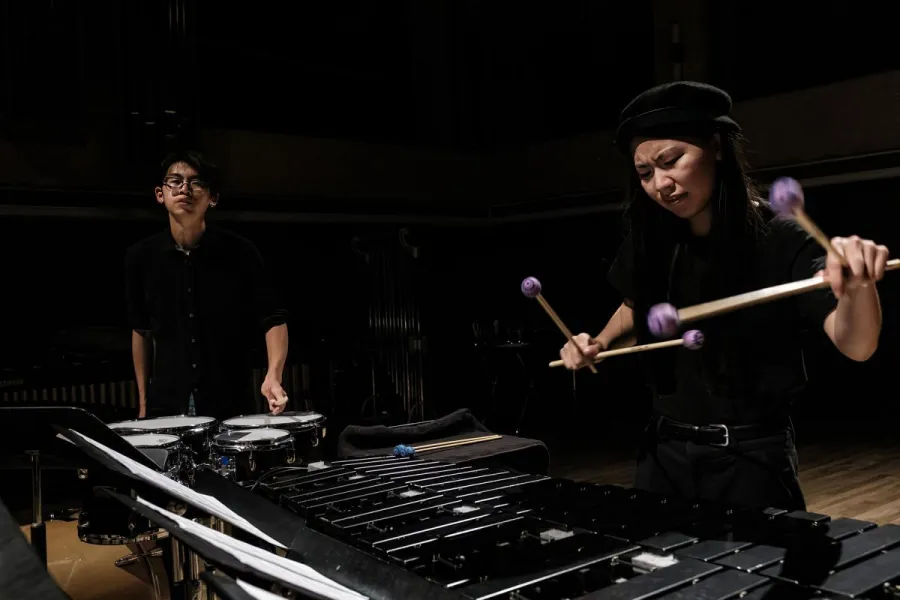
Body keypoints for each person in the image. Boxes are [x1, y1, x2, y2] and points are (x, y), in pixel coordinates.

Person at [559, 81, 889, 511]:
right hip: (664, 453)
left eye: (671, 161)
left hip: (752, 457)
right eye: (644, 173)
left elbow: (858, 345)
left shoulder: (781, 239)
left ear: (715, 147)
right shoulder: (652, 240)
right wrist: (597, 344)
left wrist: (858, 288)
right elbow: (634, 308)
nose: (661, 184)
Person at [125, 150, 291, 421]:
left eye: (196, 182)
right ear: (160, 194)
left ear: (212, 198)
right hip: (165, 404)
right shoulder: (140, 257)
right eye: (175, 181)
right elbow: (141, 330)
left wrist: (273, 375)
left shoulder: (240, 252)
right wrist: (143, 402)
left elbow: (273, 319)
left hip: (229, 400)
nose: (185, 189)